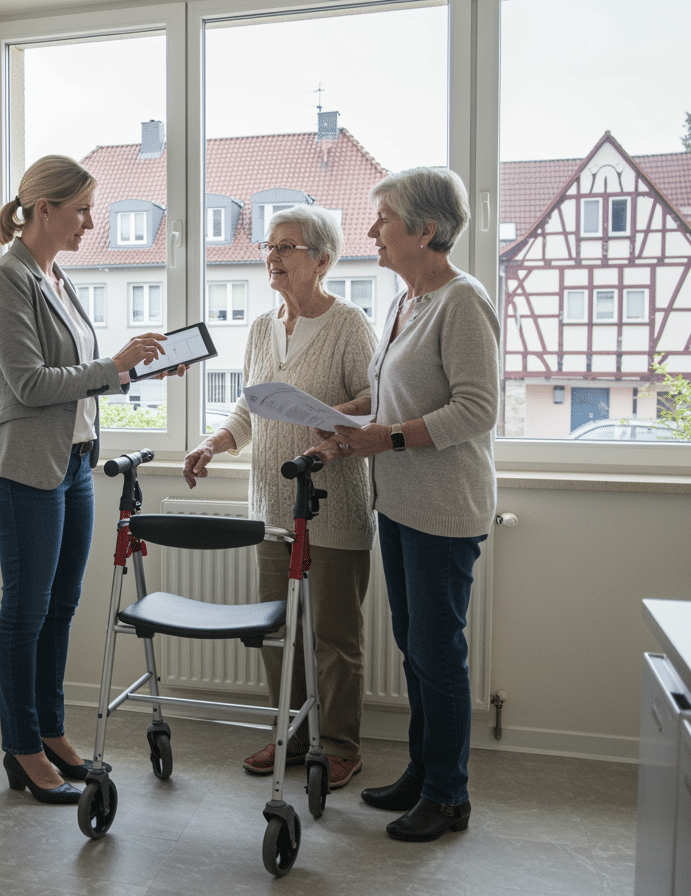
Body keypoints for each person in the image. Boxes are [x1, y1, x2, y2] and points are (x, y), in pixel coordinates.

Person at [0, 155, 175, 804]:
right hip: (26, 470)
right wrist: (113, 368)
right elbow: (30, 384)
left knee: (61, 606)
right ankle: (23, 749)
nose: (92, 222)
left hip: (73, 464)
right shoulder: (7, 281)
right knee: (26, 610)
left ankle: (53, 733)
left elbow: (79, 376)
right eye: (83, 209)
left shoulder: (55, 278)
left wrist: (136, 370)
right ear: (43, 208)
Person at [311, 166, 499, 842]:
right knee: (415, 647)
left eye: (383, 217)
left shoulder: (461, 301)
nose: (371, 231)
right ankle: (424, 772)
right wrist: (339, 418)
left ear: (426, 229)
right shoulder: (404, 304)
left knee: (437, 652)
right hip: (400, 503)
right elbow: (387, 399)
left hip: (445, 510)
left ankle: (450, 797)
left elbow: (476, 411)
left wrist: (381, 436)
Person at [182, 204, 376, 791]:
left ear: (322, 260)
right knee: (277, 627)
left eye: (285, 247)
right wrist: (213, 444)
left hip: (334, 501)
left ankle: (340, 745)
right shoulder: (263, 326)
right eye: (268, 247)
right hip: (271, 502)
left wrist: (327, 417)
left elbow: (375, 400)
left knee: (335, 636)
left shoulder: (350, 325)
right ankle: (289, 734)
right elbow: (251, 405)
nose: (272, 257)